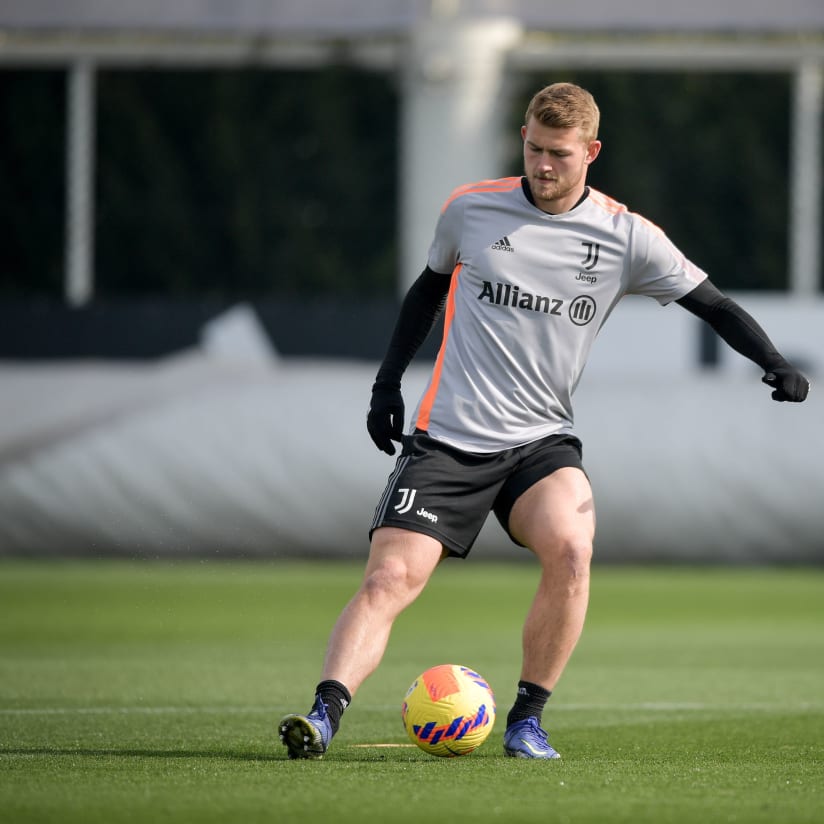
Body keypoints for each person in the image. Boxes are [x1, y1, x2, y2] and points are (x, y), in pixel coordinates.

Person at [278, 82, 810, 760]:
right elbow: (426, 291)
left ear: (590, 151)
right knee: (388, 579)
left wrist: (773, 361)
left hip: (538, 444)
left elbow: (713, 303)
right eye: (533, 149)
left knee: (572, 546)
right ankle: (322, 717)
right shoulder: (472, 210)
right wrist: (387, 383)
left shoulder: (626, 236)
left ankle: (527, 722)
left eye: (558, 153)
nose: (543, 166)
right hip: (447, 440)